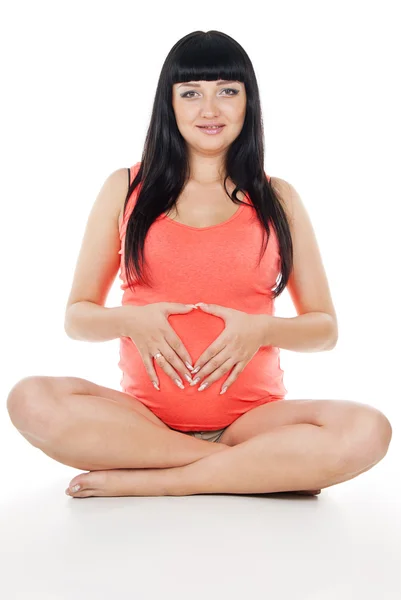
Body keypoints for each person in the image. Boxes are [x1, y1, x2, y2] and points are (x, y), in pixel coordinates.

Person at [7, 30, 392, 498]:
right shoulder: (125, 188)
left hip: (253, 424)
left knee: (368, 429)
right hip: (142, 425)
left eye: (227, 92)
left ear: (248, 102)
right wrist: (131, 320)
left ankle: (162, 481)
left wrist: (260, 331)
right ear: (168, 105)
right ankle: (249, 472)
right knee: (30, 399)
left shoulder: (278, 199)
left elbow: (324, 328)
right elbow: (77, 318)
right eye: (191, 94)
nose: (210, 110)